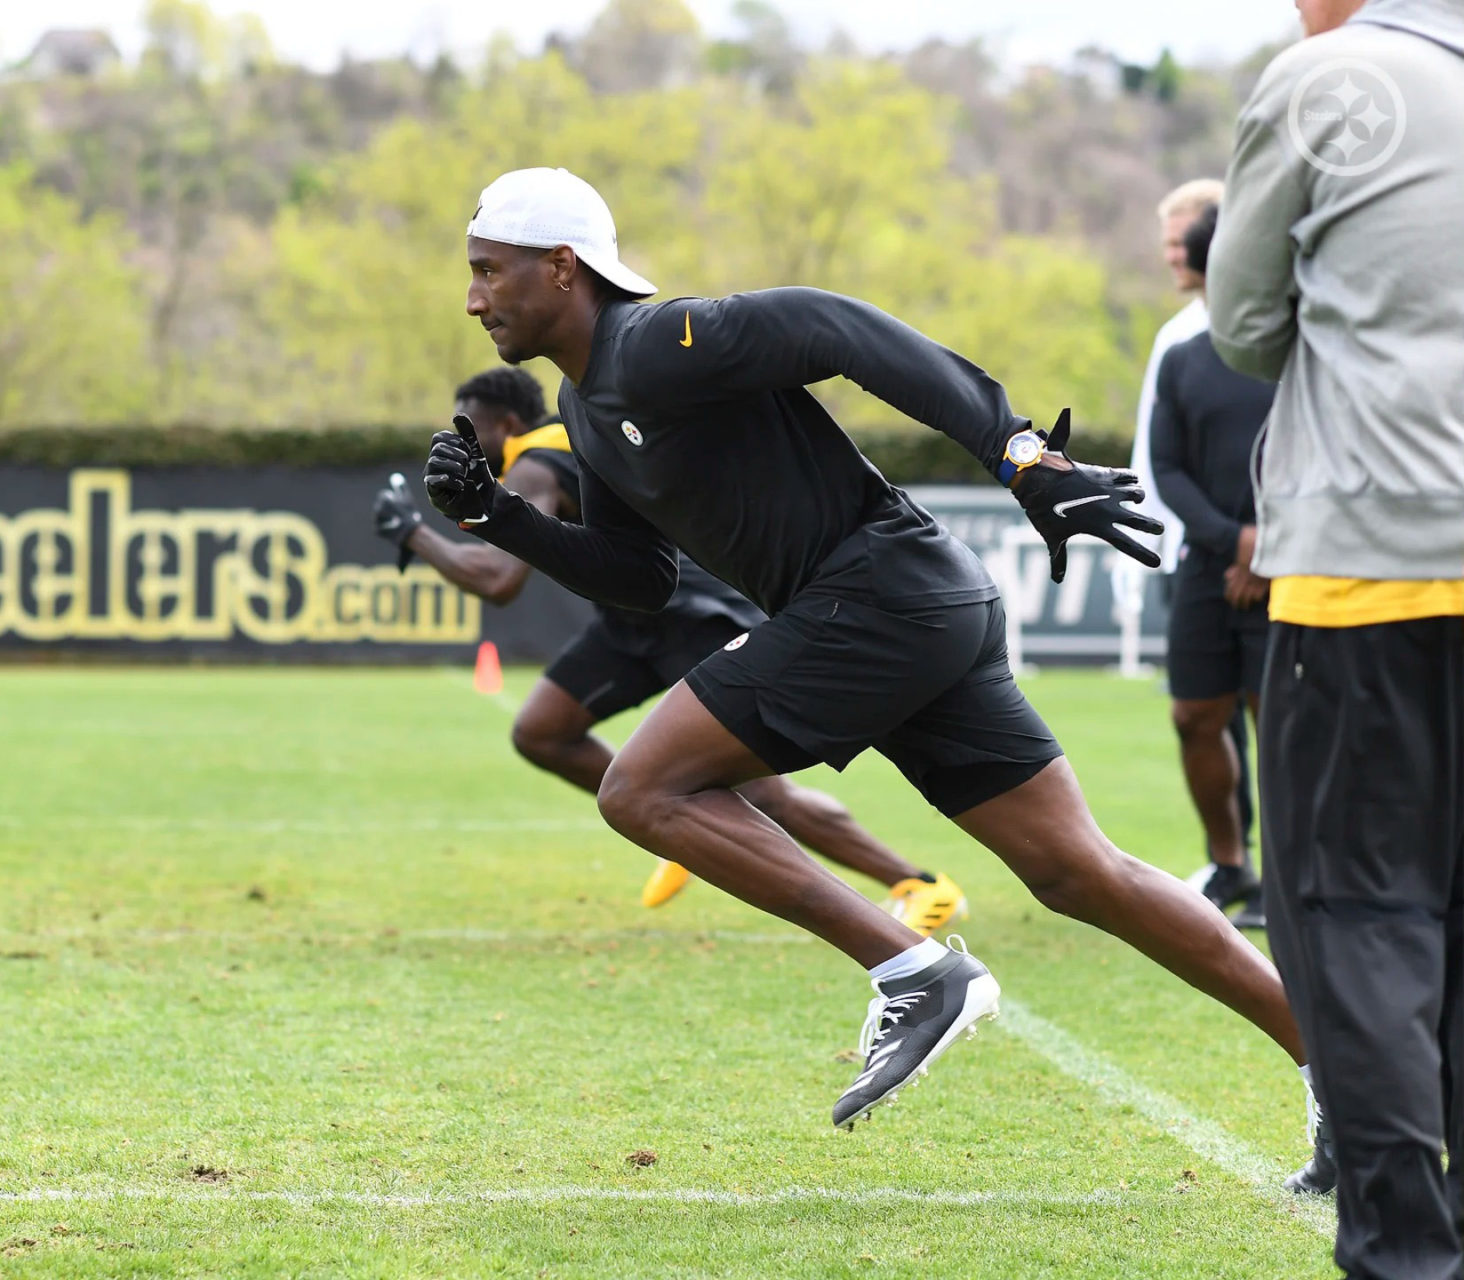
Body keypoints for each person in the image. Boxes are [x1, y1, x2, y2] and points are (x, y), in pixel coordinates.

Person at [423, 167, 1325, 1179]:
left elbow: (840, 326)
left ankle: (913, 968)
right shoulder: (588, 407)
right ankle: (1342, 1068)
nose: (473, 298)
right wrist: (500, 518)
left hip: (882, 594)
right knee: (1081, 871)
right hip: (914, 603)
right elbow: (640, 579)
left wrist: (1016, 449)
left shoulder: (659, 340)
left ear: (560, 265)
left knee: (641, 786)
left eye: (488, 271)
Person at [373, 366, 967, 931]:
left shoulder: (536, 455)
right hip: (631, 624)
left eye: (468, 425)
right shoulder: (561, 444)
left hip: (690, 616)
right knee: (542, 731)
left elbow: (498, 580)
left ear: (502, 423)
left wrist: (412, 533)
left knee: (765, 794)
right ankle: (675, 816)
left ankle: (917, 883)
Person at [1209, 0, 1464, 1260]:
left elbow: (1244, 326)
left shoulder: (1332, 75)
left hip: (1376, 563)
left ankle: (1410, 1248)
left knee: (1358, 916)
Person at [1129, 178, 1262, 921]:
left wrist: (1268, 546)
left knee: (1280, 725)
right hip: (1207, 566)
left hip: (1292, 568)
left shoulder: (1297, 351)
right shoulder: (1183, 353)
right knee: (1194, 716)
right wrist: (1232, 542)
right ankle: (1229, 865)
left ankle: (1293, 870)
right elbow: (1166, 467)